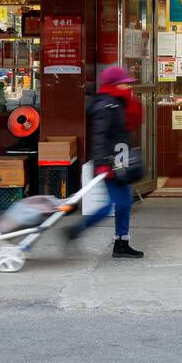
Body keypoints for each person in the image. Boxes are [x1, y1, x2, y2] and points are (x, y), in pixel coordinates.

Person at [64, 65, 144, 258]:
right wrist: (101, 165)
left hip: (119, 160)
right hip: (109, 163)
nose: (128, 87)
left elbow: (126, 127)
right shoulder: (105, 105)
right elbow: (99, 137)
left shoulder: (117, 103)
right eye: (125, 83)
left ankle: (121, 242)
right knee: (114, 204)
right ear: (115, 84)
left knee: (124, 202)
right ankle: (76, 230)